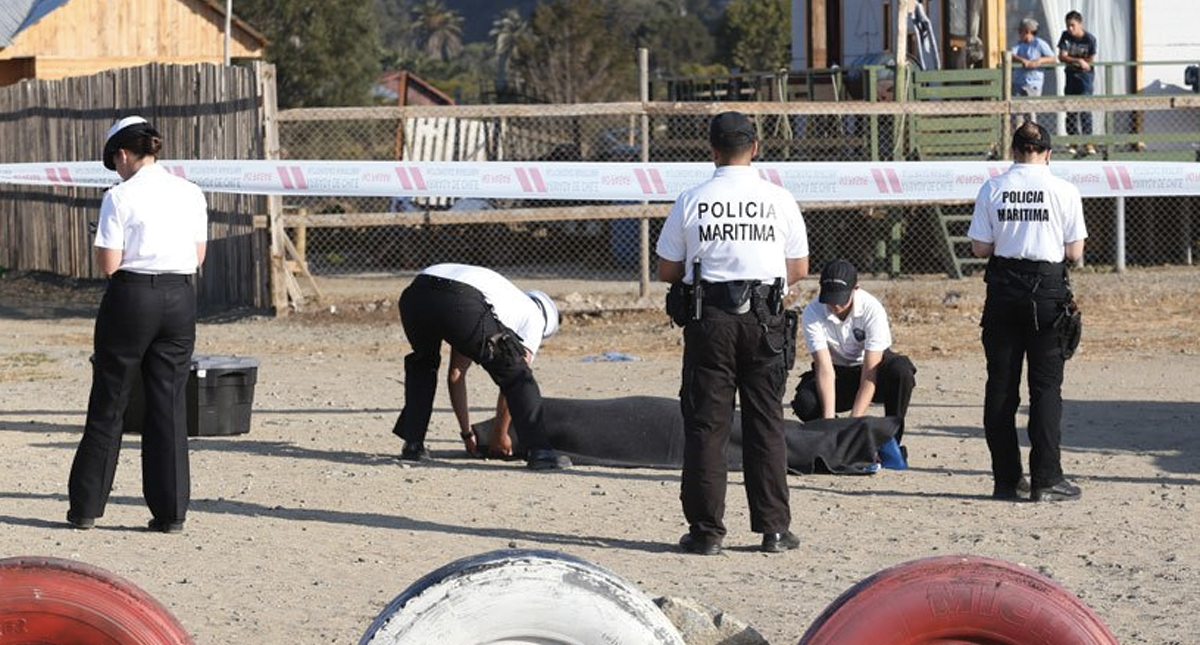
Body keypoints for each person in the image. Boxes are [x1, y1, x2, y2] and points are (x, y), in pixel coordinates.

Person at [655, 111, 809, 555]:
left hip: (711, 321)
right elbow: (797, 269)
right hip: (765, 320)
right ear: (756, 148)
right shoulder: (778, 198)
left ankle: (706, 532)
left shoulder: (692, 199)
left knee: (707, 426)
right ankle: (774, 530)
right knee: (767, 424)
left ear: (712, 150)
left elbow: (667, 268)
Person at [67, 116, 208, 534]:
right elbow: (198, 256)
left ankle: (86, 508)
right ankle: (171, 512)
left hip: (132, 296)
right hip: (180, 297)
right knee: (169, 404)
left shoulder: (119, 196)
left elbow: (109, 263)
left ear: (123, 154)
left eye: (117, 161)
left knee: (110, 398)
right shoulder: (191, 191)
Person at [968, 120, 1087, 503]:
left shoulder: (994, 187)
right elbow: (1074, 252)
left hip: (1003, 290)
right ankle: (1046, 479)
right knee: (1046, 389)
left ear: (1014, 152)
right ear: (1048, 153)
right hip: (1047, 292)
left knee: (1001, 388)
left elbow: (980, 249)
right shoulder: (1064, 190)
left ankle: (1006, 480)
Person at [391, 263, 568, 470]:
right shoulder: (535, 318)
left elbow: (456, 374)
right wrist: (499, 436)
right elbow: (514, 377)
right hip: (459, 300)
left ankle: (413, 445)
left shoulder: (503, 298)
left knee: (423, 365)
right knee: (517, 376)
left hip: (417, 293)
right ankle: (540, 452)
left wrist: (467, 435)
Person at [790, 260, 916, 446]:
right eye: (829, 298)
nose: (834, 305)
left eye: (840, 298)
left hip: (870, 372)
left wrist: (853, 423)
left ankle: (891, 439)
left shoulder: (872, 309)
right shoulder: (813, 311)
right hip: (838, 372)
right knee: (805, 402)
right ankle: (827, 439)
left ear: (855, 289)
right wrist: (829, 424)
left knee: (901, 370)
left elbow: (870, 371)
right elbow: (825, 370)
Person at [1057, 10, 1098, 156]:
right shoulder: (1065, 36)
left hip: (1085, 78)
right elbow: (1062, 56)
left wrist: (1082, 62)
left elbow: (1090, 60)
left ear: (1080, 24)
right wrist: (1077, 60)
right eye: (1068, 25)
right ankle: (1073, 141)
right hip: (1070, 76)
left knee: (1085, 109)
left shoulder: (1090, 39)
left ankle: (1088, 143)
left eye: (1073, 25)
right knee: (1071, 109)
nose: (1070, 29)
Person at [1010, 18, 1057, 124]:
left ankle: (1032, 136)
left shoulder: (1039, 44)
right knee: (1018, 112)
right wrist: (1022, 60)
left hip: (1033, 84)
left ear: (1028, 31)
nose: (1019, 34)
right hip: (1019, 82)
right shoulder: (1019, 44)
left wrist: (1039, 61)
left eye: (1021, 31)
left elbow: (1053, 58)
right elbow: (1010, 54)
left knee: (1030, 112)